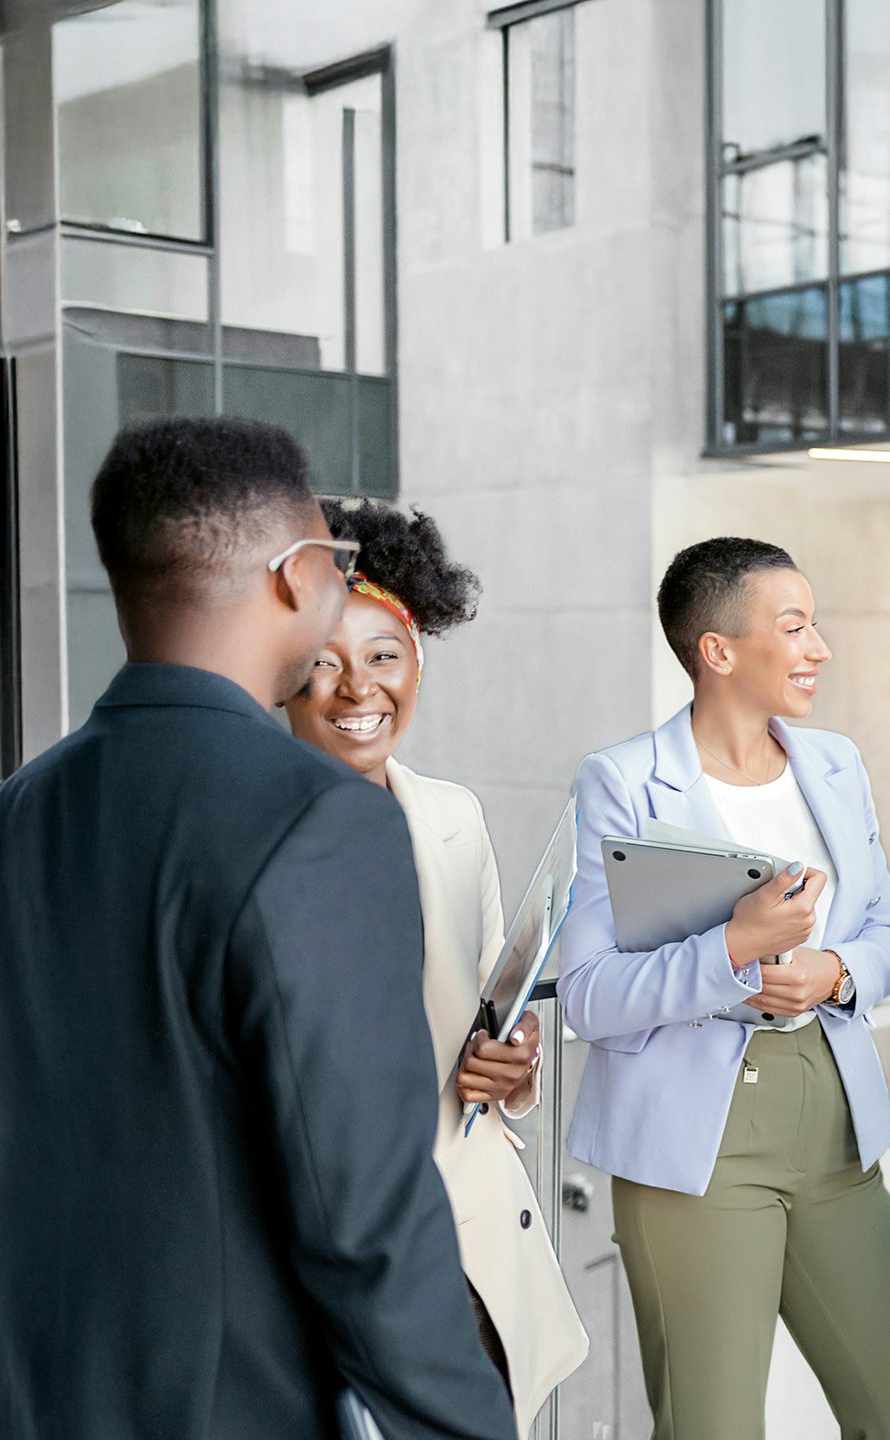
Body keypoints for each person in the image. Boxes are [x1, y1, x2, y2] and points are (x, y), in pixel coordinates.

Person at [0, 418, 514, 1440]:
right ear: (294, 573)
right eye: (334, 561)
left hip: (19, 1397)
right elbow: (364, 1224)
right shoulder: (322, 820)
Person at [554, 537, 890, 1439]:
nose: (819, 648)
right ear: (718, 650)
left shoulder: (836, 765)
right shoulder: (622, 782)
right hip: (696, 1150)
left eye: (815, 625)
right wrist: (734, 949)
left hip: (837, 1134)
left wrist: (836, 971)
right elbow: (585, 994)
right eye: (796, 626)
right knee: (713, 1429)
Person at [281, 497, 590, 1437]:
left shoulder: (453, 820)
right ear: (282, 681)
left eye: (382, 656)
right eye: (322, 664)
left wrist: (513, 1064)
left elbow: (484, 1029)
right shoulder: (250, 837)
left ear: (418, 659)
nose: (357, 689)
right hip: (328, 1248)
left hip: (463, 1245)